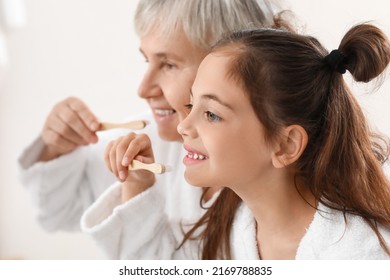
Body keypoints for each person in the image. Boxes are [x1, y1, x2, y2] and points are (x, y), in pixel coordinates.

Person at [17, 0, 280, 257]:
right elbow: (56, 213)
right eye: (147, 61)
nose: (143, 90)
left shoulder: (272, 184)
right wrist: (56, 146)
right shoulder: (151, 139)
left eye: (168, 65)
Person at [176, 23, 390, 259]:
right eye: (191, 104)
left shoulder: (361, 257)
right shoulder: (230, 225)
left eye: (211, 114)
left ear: (286, 145)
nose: (183, 126)